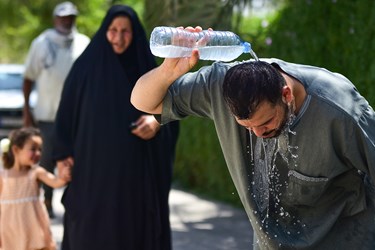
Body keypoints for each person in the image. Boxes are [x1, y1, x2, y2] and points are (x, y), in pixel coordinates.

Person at [131, 26, 375, 249]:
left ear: (286, 95)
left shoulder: (341, 109)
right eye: (246, 127)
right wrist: (168, 70)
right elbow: (142, 101)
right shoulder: (219, 85)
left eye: (266, 122)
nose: (258, 133)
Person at [53, 4, 179, 250]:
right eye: (113, 30)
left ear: (136, 34)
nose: (118, 37)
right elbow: (65, 115)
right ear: (104, 31)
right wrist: (61, 156)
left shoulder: (149, 68)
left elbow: (175, 111)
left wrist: (156, 122)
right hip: (91, 175)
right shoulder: (85, 68)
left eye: (125, 31)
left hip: (136, 177)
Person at [22, 1, 90, 218]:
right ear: (55, 19)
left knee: (78, 159)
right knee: (47, 159)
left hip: (77, 117)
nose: (66, 21)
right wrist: (26, 108)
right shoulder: (41, 42)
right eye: (62, 17)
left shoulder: (83, 43)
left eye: (70, 17)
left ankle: (76, 203)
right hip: (47, 115)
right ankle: (47, 202)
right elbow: (28, 77)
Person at [0, 127, 70, 250]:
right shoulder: (3, 176)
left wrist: (64, 174)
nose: (38, 153)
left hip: (33, 228)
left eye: (40, 149)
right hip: (10, 230)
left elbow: (56, 182)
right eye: (33, 149)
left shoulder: (36, 172)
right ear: (16, 149)